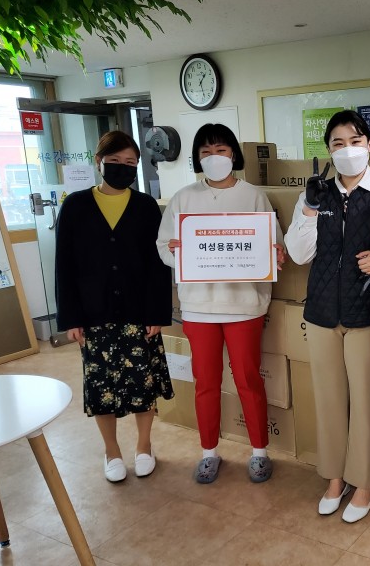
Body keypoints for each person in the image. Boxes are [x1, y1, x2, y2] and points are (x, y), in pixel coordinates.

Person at [284, 109, 370, 522]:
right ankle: (335, 477)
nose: (347, 150)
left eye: (355, 141)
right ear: (328, 151)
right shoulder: (316, 195)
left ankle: (366, 482)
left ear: (369, 146)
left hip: (368, 316)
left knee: (367, 401)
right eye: (338, 143)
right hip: (322, 313)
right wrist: (309, 207)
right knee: (328, 400)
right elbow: (298, 253)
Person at [156, 123, 285, 485]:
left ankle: (259, 452)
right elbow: (163, 246)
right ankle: (209, 452)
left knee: (248, 379)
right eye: (206, 152)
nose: (214, 157)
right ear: (197, 158)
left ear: (234, 155)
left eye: (222, 150)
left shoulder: (254, 196)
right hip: (198, 307)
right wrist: (175, 251)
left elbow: (274, 246)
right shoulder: (183, 198)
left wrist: (276, 253)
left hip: (244, 305)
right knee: (206, 382)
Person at [55, 130, 173, 483]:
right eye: (115, 161)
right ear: (99, 161)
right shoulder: (75, 206)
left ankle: (144, 446)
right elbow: (64, 265)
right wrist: (71, 318)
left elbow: (157, 266)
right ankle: (111, 451)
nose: (123, 167)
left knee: (143, 383)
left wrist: (157, 313)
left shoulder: (146, 207)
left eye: (130, 162)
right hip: (94, 313)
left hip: (139, 312)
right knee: (101, 386)